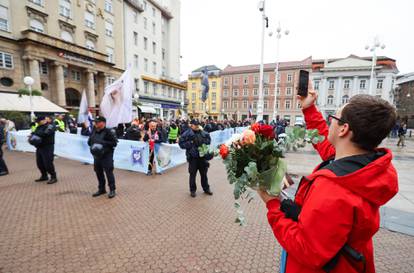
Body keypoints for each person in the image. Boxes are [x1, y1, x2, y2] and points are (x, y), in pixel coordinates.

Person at [257, 91, 398, 273]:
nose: (329, 122)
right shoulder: (363, 166)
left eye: (332, 117)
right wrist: (309, 108)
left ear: (343, 129)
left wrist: (273, 205)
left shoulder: (334, 189)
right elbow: (323, 138)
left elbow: (307, 249)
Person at [179, 119, 213, 198]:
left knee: (204, 175)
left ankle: (206, 189)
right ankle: (192, 190)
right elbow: (181, 144)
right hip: (193, 158)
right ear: (191, 125)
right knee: (192, 175)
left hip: (202, 157)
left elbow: (209, 140)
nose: (197, 126)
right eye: (195, 124)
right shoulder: (187, 133)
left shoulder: (203, 132)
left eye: (198, 124)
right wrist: (190, 143)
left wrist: (205, 142)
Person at [88, 116, 118, 198]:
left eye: (97, 122)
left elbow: (114, 143)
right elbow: (89, 141)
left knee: (108, 172)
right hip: (97, 156)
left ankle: (112, 190)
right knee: (98, 172)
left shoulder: (109, 132)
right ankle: (101, 189)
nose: (95, 123)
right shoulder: (94, 131)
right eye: (95, 122)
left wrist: (102, 143)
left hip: (106, 156)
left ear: (103, 123)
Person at [30, 116, 58, 184]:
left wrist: (35, 134)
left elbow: (45, 133)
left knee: (48, 163)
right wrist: (32, 136)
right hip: (39, 147)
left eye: (39, 121)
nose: (38, 123)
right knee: (39, 163)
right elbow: (35, 133)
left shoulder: (51, 126)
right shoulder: (39, 127)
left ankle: (53, 177)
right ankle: (44, 176)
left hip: (48, 147)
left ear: (43, 120)